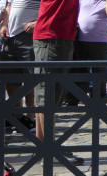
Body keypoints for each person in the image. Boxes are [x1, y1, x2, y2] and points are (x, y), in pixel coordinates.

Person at [32, 0, 84, 165]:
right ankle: (48, 150)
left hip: (59, 37)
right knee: (47, 96)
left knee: (49, 98)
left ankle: (44, 147)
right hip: (51, 37)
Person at [0, 0, 39, 129]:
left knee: (31, 78)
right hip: (11, 37)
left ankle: (31, 117)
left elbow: (50, 9)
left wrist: (36, 23)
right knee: (10, 77)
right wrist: (4, 25)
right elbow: (9, 7)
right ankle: (17, 116)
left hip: (29, 35)